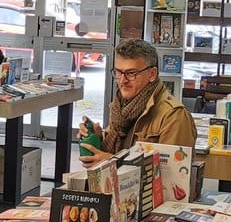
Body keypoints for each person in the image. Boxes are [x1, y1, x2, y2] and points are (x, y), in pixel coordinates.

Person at [79, 38, 197, 166]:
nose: (123, 80)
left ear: (152, 74)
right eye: (118, 72)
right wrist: (97, 138)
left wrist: (112, 162)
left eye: (131, 73)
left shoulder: (174, 116)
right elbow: (118, 144)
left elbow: (172, 174)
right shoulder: (121, 107)